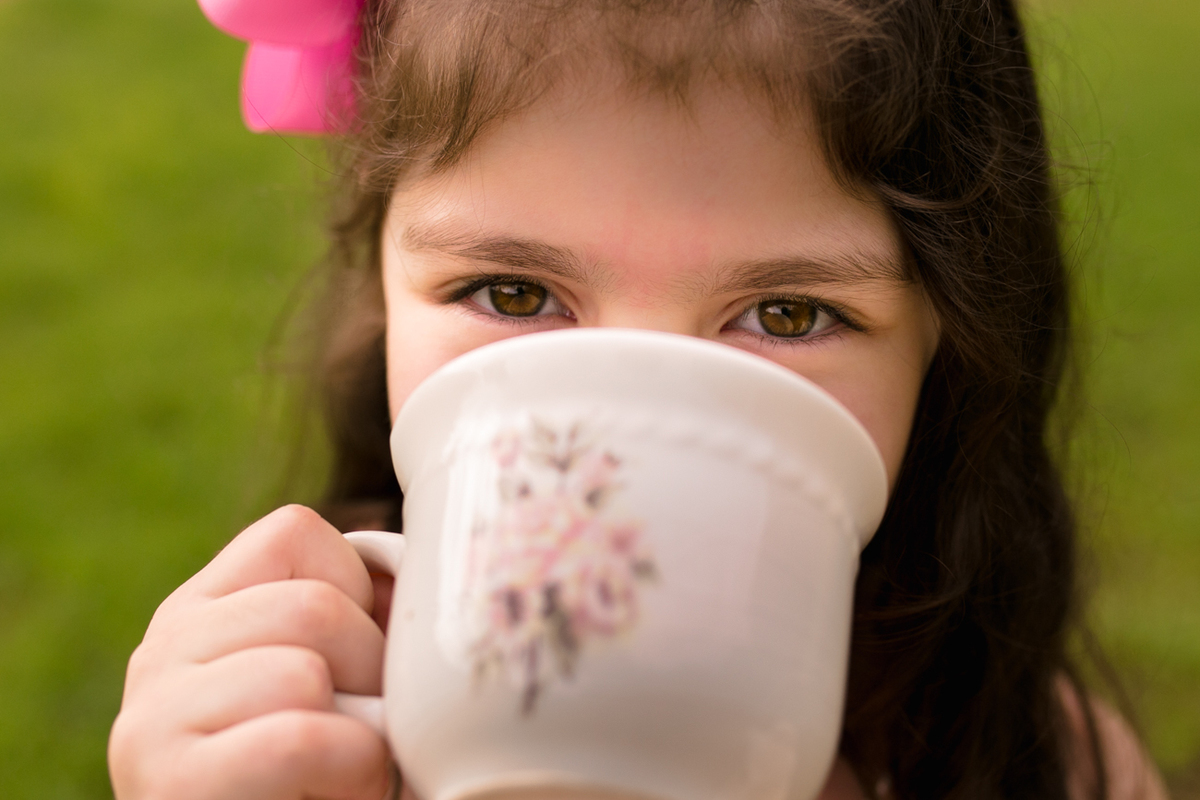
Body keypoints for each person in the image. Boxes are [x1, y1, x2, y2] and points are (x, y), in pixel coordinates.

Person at [107, 1, 1171, 798]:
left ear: (951, 336)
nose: (626, 431)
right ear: (382, 286)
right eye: (514, 294)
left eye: (787, 313)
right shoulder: (310, 743)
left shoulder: (1046, 767)